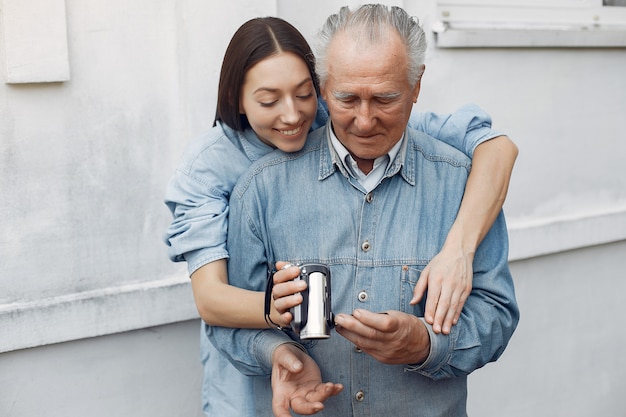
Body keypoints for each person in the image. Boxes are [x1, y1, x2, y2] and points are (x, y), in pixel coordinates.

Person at [164, 14, 517, 417]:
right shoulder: (249, 183)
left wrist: (426, 342)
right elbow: (217, 309)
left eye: (385, 99)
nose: (365, 121)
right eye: (348, 99)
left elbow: (496, 315)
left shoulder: (460, 183)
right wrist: (277, 343)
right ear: (327, 89)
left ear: (416, 86)